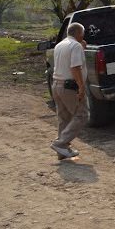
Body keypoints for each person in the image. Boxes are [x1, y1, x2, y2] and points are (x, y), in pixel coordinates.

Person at [50, 22, 88, 160]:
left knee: (64, 118)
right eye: (82, 34)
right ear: (78, 33)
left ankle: (62, 151)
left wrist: (81, 48)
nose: (83, 36)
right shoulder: (75, 46)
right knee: (82, 115)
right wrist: (81, 86)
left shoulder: (60, 45)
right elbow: (75, 68)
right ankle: (61, 143)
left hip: (57, 85)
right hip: (70, 86)